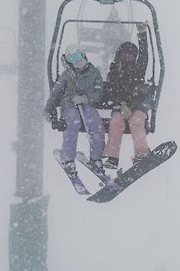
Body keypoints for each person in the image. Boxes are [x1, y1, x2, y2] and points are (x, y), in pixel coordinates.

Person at [44, 44, 105, 178]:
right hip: (70, 106)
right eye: (73, 60)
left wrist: (86, 98)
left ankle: (96, 157)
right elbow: (55, 93)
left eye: (78, 57)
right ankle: (68, 158)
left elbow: (99, 91)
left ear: (83, 56)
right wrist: (49, 110)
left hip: (87, 105)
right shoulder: (67, 76)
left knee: (96, 124)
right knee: (73, 122)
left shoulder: (94, 73)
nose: (77, 62)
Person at [102, 22, 151, 169]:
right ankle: (112, 157)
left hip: (137, 106)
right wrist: (121, 105)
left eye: (131, 55)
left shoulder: (138, 70)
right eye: (125, 54)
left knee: (136, 120)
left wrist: (142, 35)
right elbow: (111, 91)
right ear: (120, 55)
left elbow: (144, 57)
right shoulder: (114, 73)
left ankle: (142, 155)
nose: (127, 57)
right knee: (116, 121)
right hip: (121, 107)